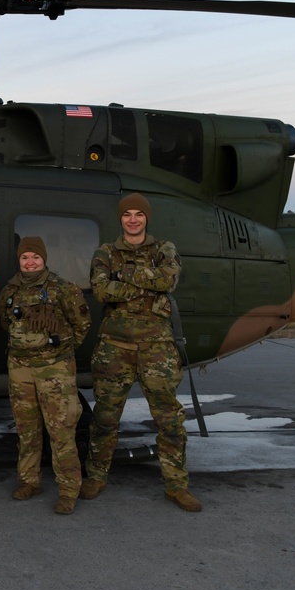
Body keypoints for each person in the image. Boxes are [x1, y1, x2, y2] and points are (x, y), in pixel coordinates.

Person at [80, 193, 202, 512]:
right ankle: (95, 476)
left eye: (139, 214)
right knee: (105, 418)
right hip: (114, 349)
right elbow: (101, 289)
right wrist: (148, 285)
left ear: (146, 218)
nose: (133, 219)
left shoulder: (164, 249)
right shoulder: (105, 252)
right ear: (120, 219)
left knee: (169, 419)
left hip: (157, 348)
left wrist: (123, 277)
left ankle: (176, 486)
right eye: (127, 215)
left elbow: (169, 280)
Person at [0, 236, 91, 514]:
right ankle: (30, 481)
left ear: (44, 259)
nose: (30, 262)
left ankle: (68, 490)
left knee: (61, 431)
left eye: (35, 257)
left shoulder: (63, 289)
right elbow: (5, 321)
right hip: (20, 368)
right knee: (27, 429)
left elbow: (82, 324)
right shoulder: (10, 290)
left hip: (55, 369)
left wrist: (60, 352)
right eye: (25, 257)